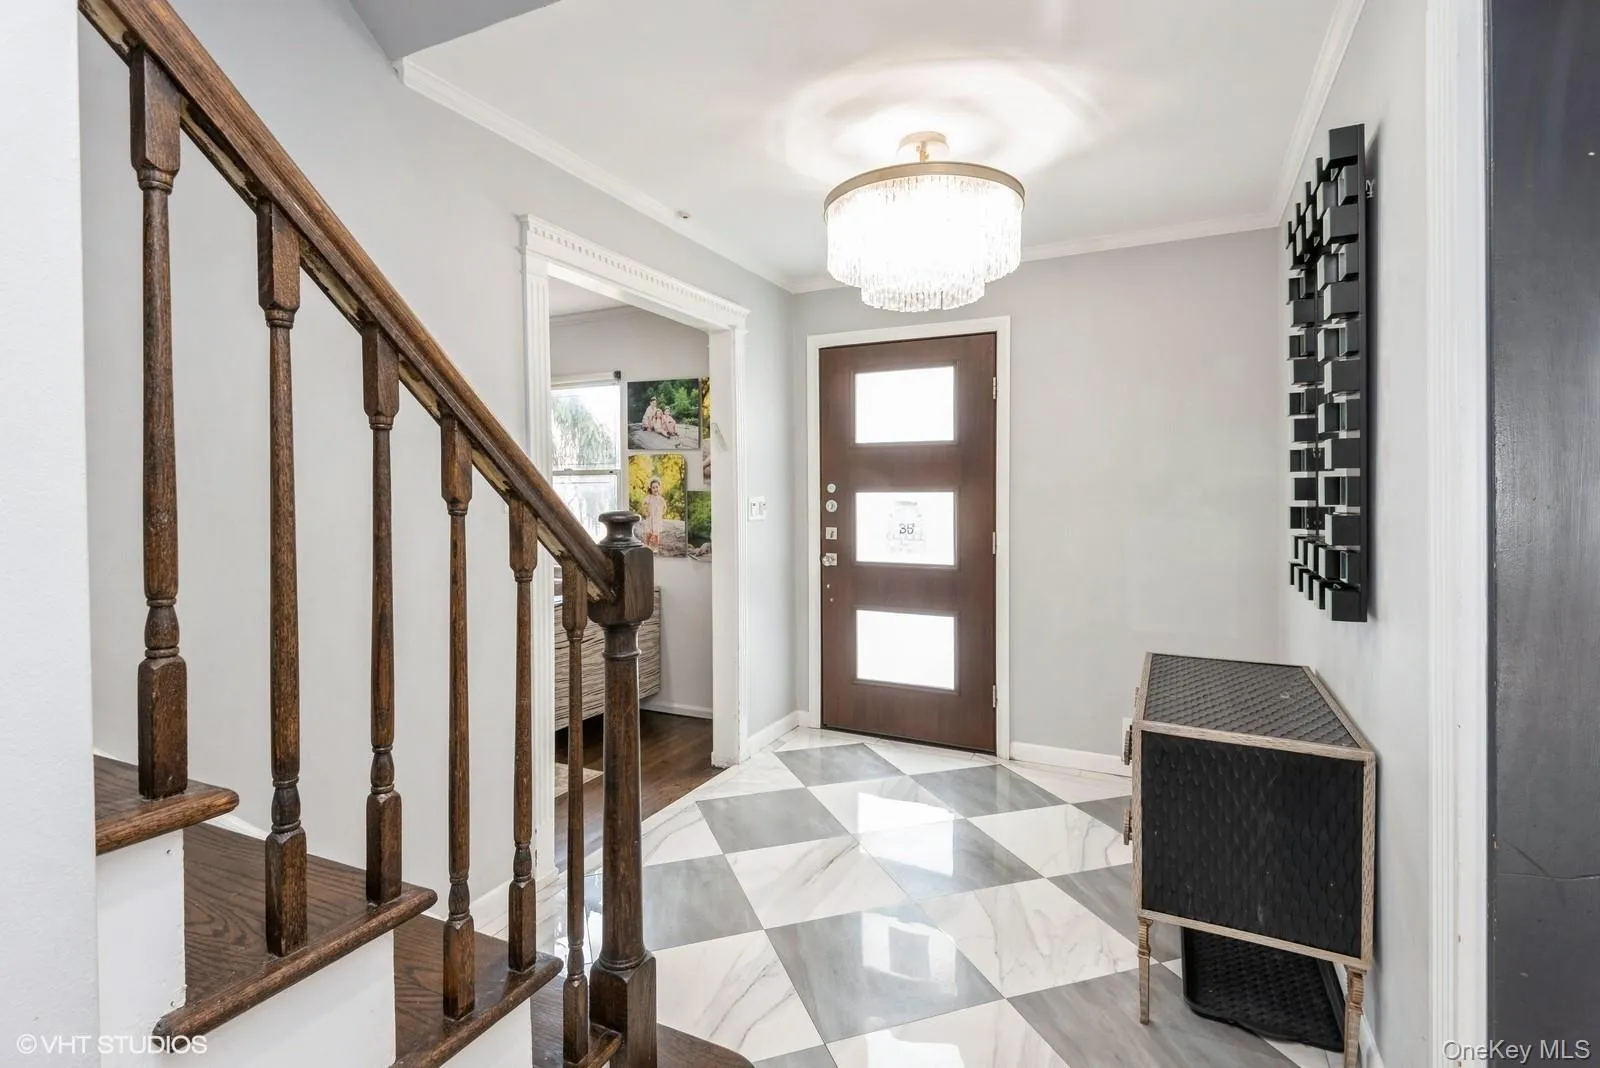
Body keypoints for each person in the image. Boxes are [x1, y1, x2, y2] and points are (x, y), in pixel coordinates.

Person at [641, 476, 667, 550]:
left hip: (657, 519)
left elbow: (665, 507)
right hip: (650, 518)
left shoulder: (661, 499)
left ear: (659, 487)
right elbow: (644, 503)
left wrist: (661, 513)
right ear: (651, 489)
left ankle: (655, 547)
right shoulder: (649, 497)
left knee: (656, 534)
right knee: (648, 533)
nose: (655, 489)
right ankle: (647, 545)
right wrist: (646, 511)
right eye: (653, 487)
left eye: (656, 487)